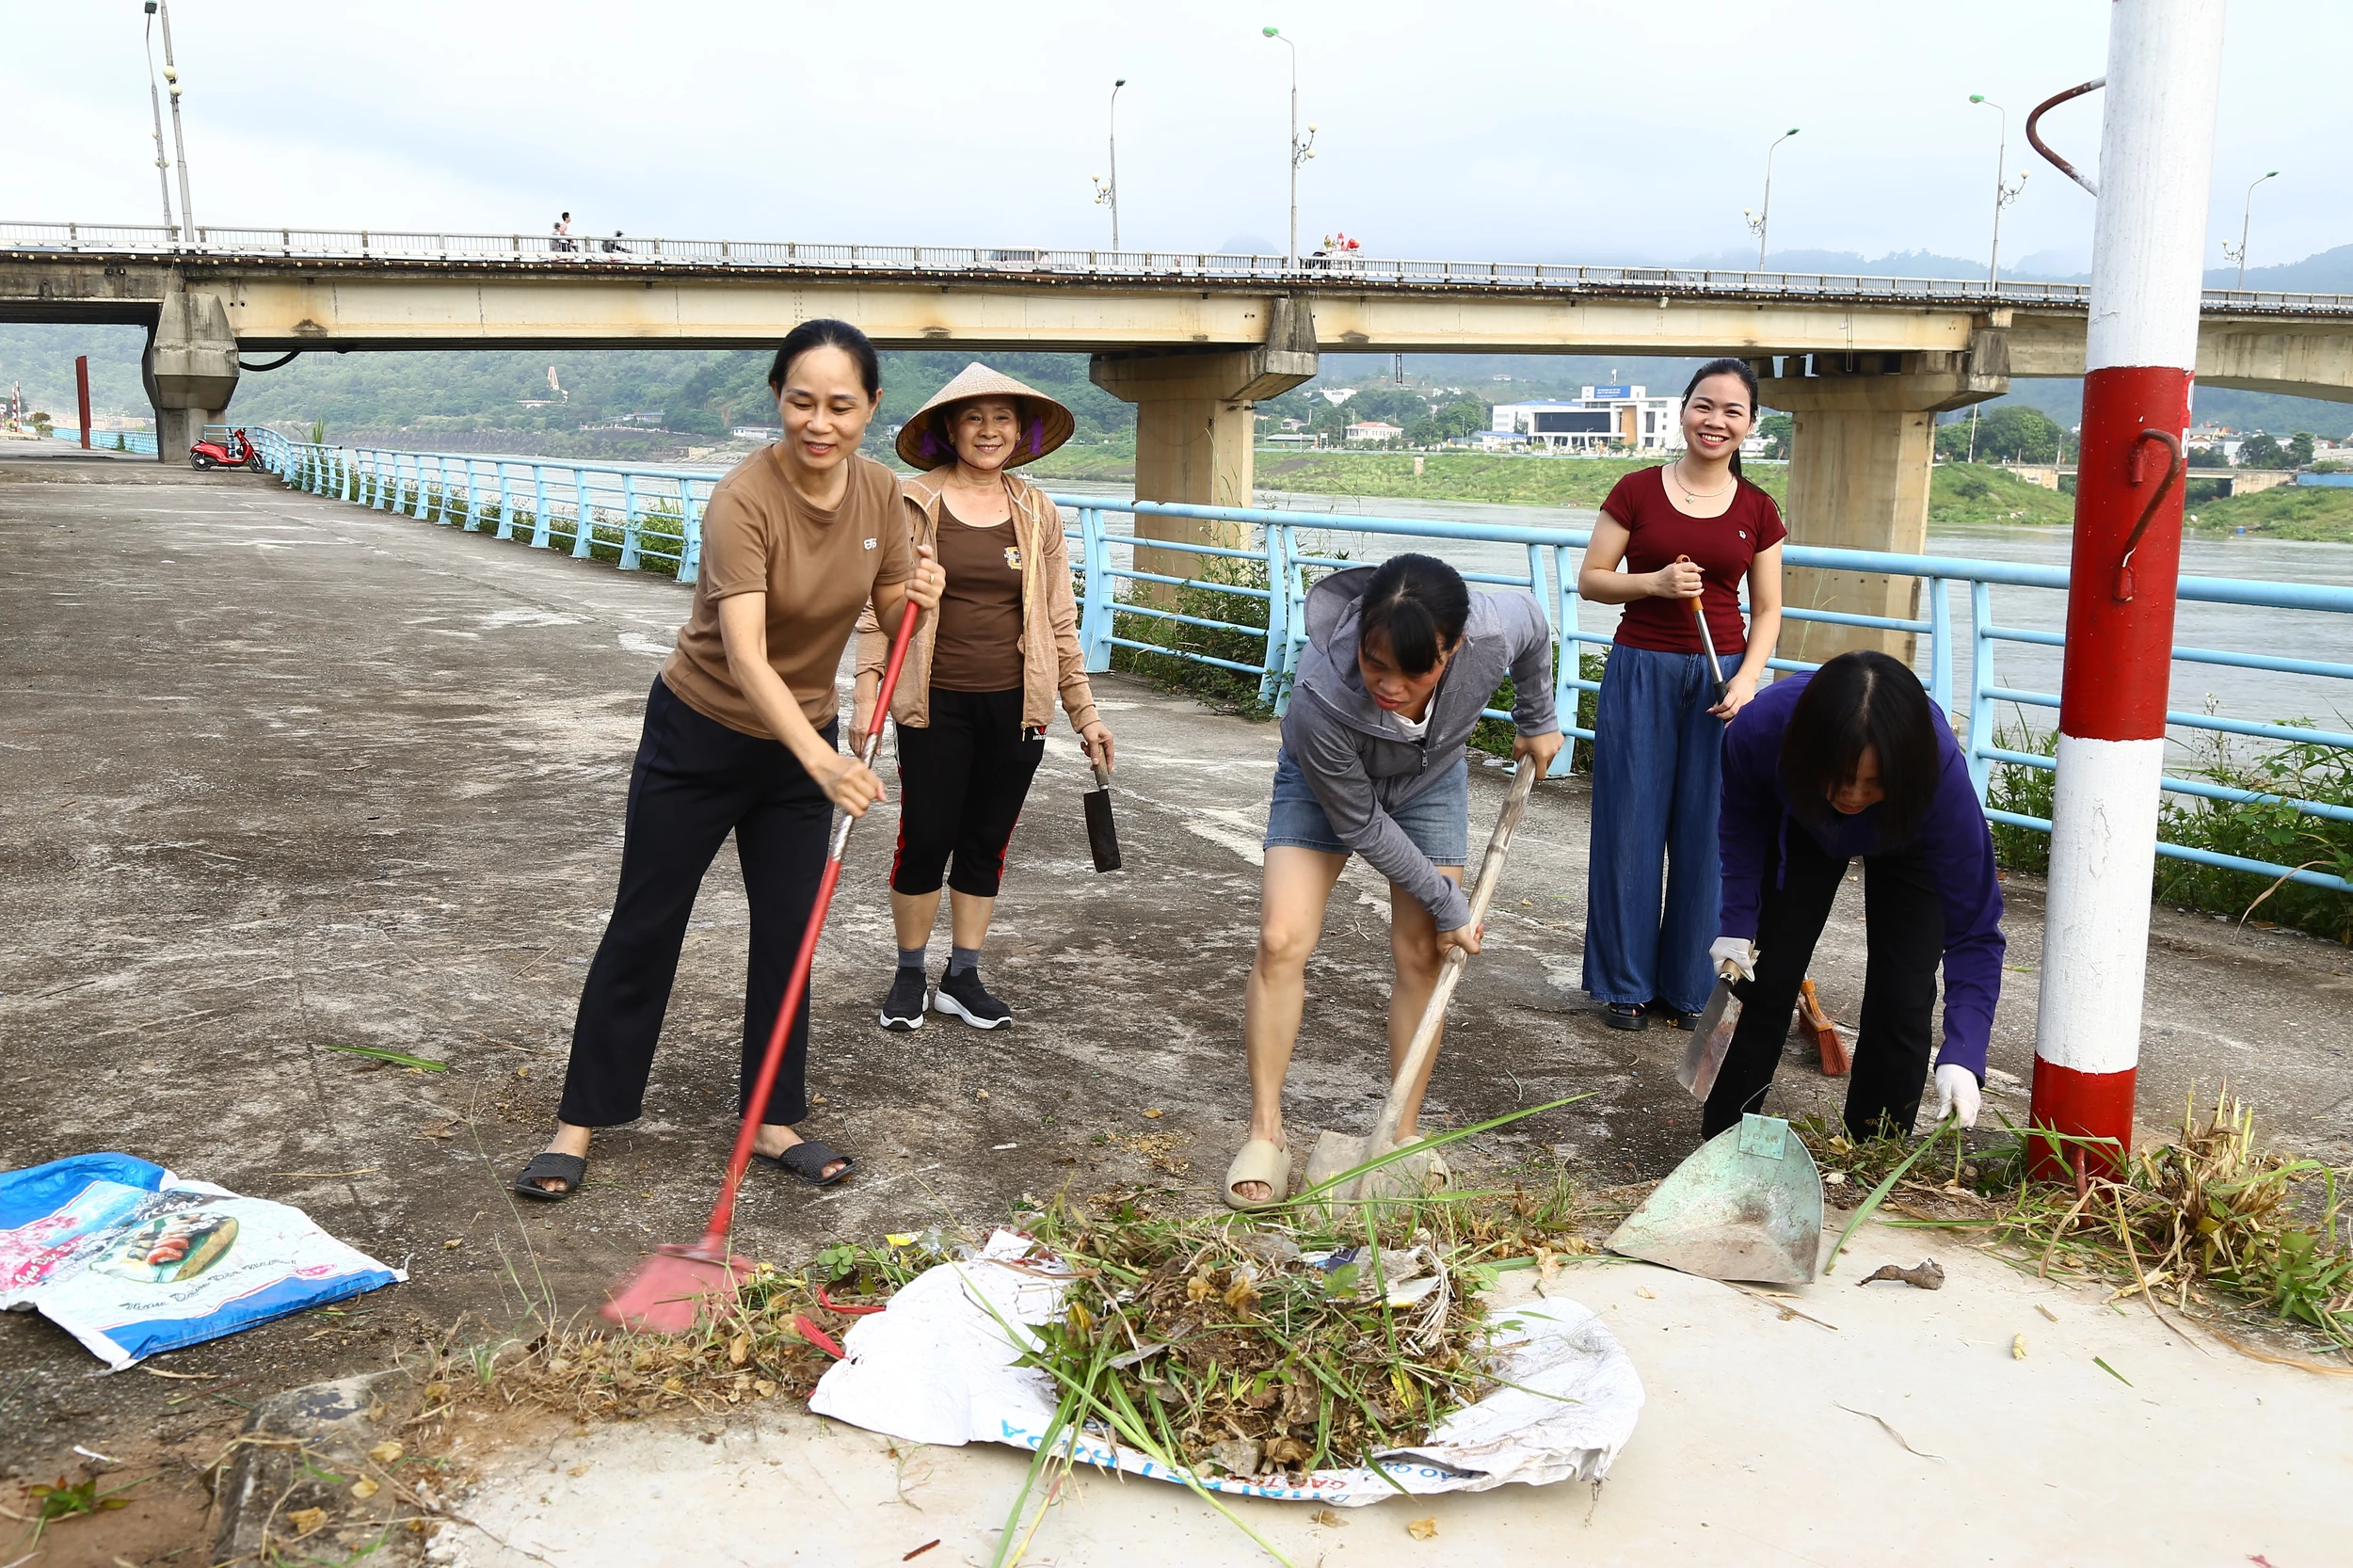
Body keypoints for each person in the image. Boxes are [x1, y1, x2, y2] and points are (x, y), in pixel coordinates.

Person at [512, 319, 946, 1201]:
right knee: (647, 922)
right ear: (778, 398)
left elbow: (893, 618)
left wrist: (920, 600)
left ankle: (774, 1117)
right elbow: (746, 655)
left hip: (800, 745)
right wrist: (821, 764)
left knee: (790, 934)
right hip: (702, 732)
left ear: (869, 408)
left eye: (840, 405)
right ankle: (578, 1123)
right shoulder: (741, 499)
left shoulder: (883, 497)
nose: (818, 423)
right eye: (800, 402)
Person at [1225, 554, 1563, 1208]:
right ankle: (1266, 1130)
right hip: (1328, 785)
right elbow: (1362, 826)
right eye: (1376, 664)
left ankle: (1398, 1136)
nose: (1390, 686)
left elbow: (1536, 624)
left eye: (1415, 672)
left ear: (1454, 647)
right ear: (1361, 639)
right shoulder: (1321, 693)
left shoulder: (1492, 628)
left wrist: (1536, 716)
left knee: (1425, 951)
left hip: (1431, 777)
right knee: (1280, 938)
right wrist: (1449, 901)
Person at [849, 364, 1112, 1032]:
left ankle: (961, 976)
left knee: (986, 841)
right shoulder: (910, 504)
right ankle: (910, 972)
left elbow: (1058, 620)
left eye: (1002, 418)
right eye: (974, 417)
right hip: (933, 702)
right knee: (925, 836)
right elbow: (879, 612)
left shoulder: (1035, 509)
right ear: (948, 428)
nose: (989, 430)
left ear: (1019, 433)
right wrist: (864, 691)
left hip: (1017, 705)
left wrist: (1085, 712)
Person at [1705, 650, 2002, 1140]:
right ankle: (1723, 1136)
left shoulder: (1938, 774)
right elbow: (1741, 826)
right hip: (1803, 817)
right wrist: (1737, 921)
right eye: (1841, 777)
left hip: (1907, 826)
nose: (1854, 795)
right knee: (1763, 976)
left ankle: (1873, 1147)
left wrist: (1965, 1052)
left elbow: (1975, 930)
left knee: (1903, 994)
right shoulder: (1759, 731)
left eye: (1871, 782)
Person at [1577, 358, 1785, 1032]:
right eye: (1705, 406)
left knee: (1711, 833)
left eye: (1732, 411)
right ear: (1683, 411)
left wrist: (1749, 680)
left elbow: (1770, 612)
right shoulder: (1637, 491)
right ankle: (1625, 985)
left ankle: (1691, 987)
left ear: (1750, 425)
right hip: (1642, 667)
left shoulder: (1758, 509)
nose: (1715, 420)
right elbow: (1593, 579)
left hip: (1722, 675)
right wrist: (1655, 583)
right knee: (1630, 826)